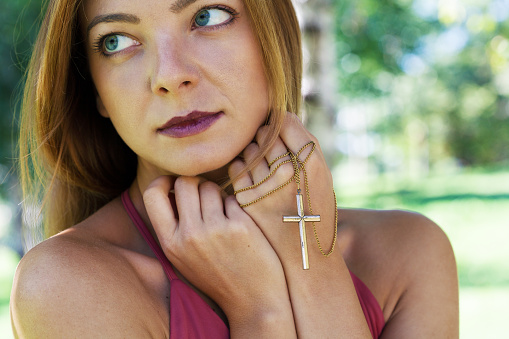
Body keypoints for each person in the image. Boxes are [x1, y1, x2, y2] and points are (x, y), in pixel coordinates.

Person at [10, 0, 459, 337]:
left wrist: (312, 265)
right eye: (117, 42)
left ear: (274, 36)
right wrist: (259, 310)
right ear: (97, 94)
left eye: (207, 16)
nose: (169, 75)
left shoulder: (410, 253)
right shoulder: (65, 284)